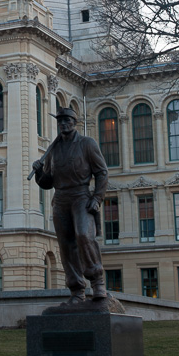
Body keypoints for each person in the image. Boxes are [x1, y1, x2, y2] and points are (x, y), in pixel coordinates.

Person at [32, 107, 109, 303]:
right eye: (60, 121)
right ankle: (76, 290)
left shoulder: (87, 144)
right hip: (61, 199)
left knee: (84, 235)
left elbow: (102, 172)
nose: (63, 124)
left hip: (81, 196)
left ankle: (98, 281)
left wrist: (97, 198)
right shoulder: (54, 149)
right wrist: (39, 173)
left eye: (67, 120)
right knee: (66, 246)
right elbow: (48, 182)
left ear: (74, 122)